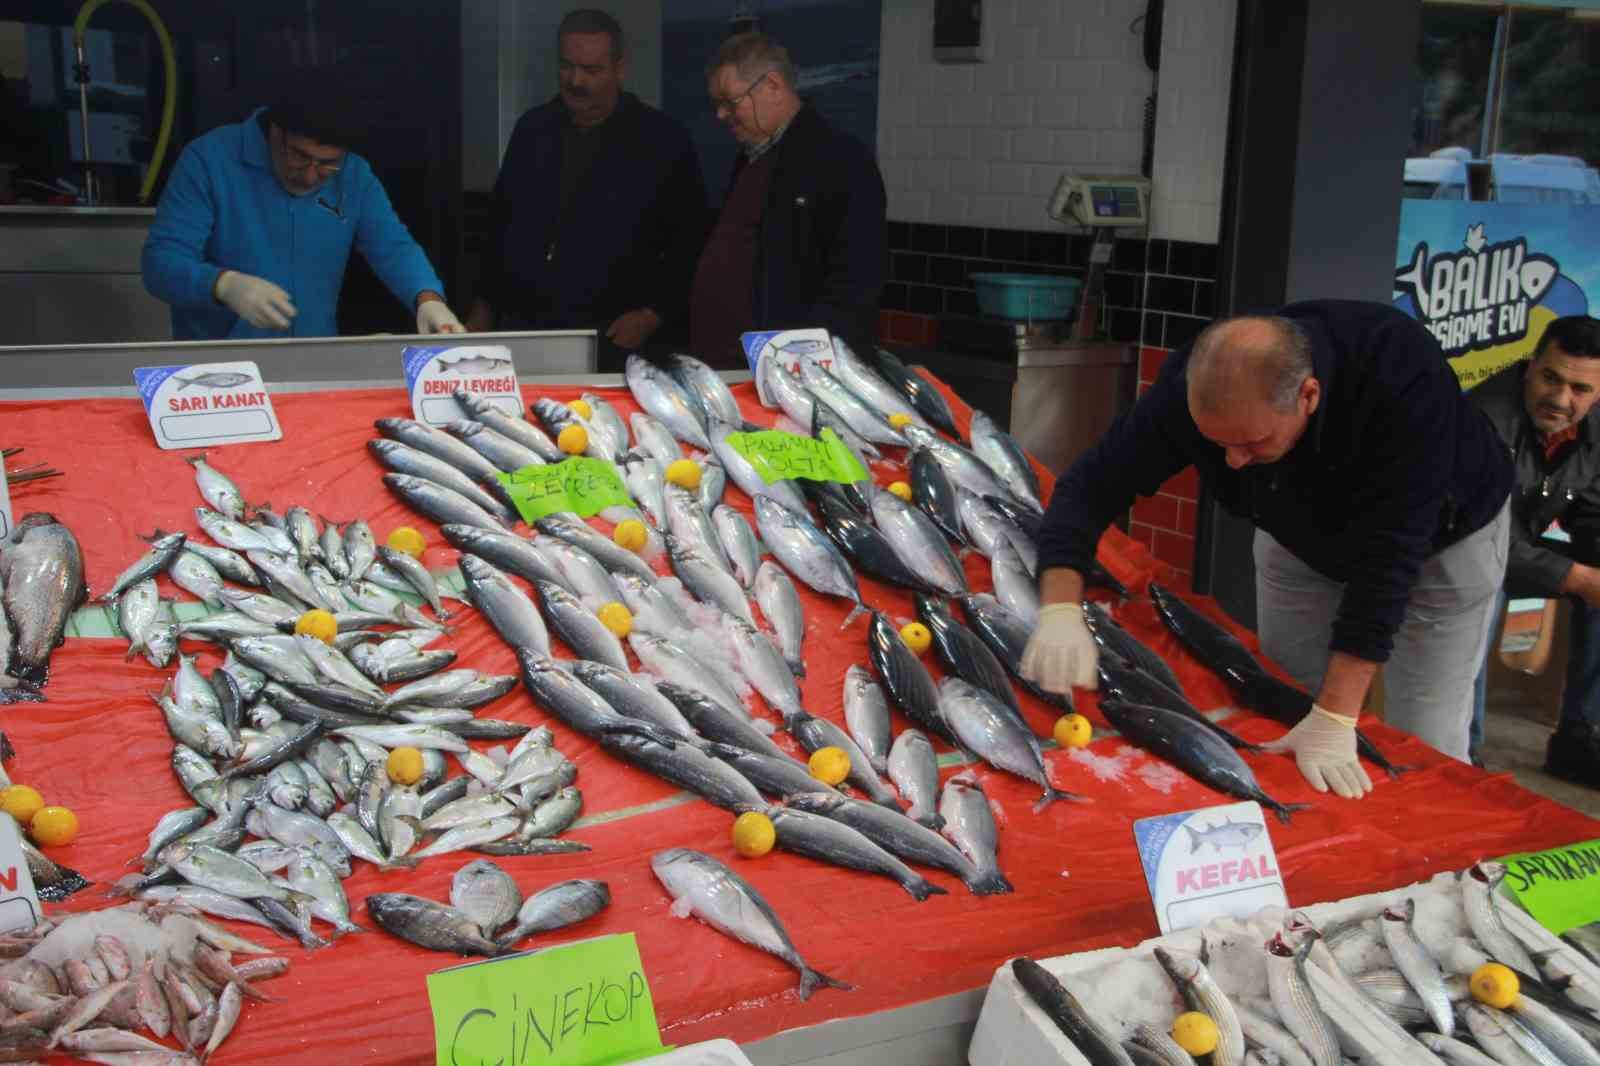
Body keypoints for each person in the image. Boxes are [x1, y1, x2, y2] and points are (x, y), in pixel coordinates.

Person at [1022, 301, 1513, 795]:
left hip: (1440, 542)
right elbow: (1090, 487)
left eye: (1251, 443)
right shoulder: (1194, 387)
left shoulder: (1400, 374)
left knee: (1425, 740)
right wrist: (1060, 606)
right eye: (1217, 444)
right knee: (1280, 706)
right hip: (1298, 532)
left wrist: (1336, 716)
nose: (1234, 462)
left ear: (1308, 395)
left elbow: (1388, 564)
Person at [142, 71, 462, 341]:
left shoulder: (354, 174)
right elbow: (161, 263)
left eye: (327, 164)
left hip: (312, 357)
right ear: (275, 131)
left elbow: (393, 246)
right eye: (299, 156)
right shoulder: (209, 160)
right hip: (218, 368)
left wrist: (427, 299)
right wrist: (222, 285)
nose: (310, 176)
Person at [465, 9, 704, 371]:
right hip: (526, 332)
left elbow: (690, 244)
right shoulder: (532, 131)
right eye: (567, 66)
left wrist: (652, 315)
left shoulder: (662, 141)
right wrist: (481, 313)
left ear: (619, 69)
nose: (576, 80)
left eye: (591, 70)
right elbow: (498, 227)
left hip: (615, 341)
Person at [690, 32, 887, 368]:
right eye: (716, 104)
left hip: (780, 375)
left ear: (773, 86)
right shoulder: (752, 158)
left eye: (730, 101)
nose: (721, 114)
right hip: (731, 366)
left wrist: (793, 364)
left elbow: (855, 284)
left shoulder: (841, 161)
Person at [1469, 315, 1600, 786]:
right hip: (1456, 554)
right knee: (1482, 584)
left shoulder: (1595, 427)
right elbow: (1481, 535)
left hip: (1520, 547)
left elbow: (1593, 514)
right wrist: (1579, 578)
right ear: (1530, 366)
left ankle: (1579, 738)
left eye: (1580, 389)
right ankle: (1462, 751)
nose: (1561, 399)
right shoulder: (1483, 417)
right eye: (1551, 378)